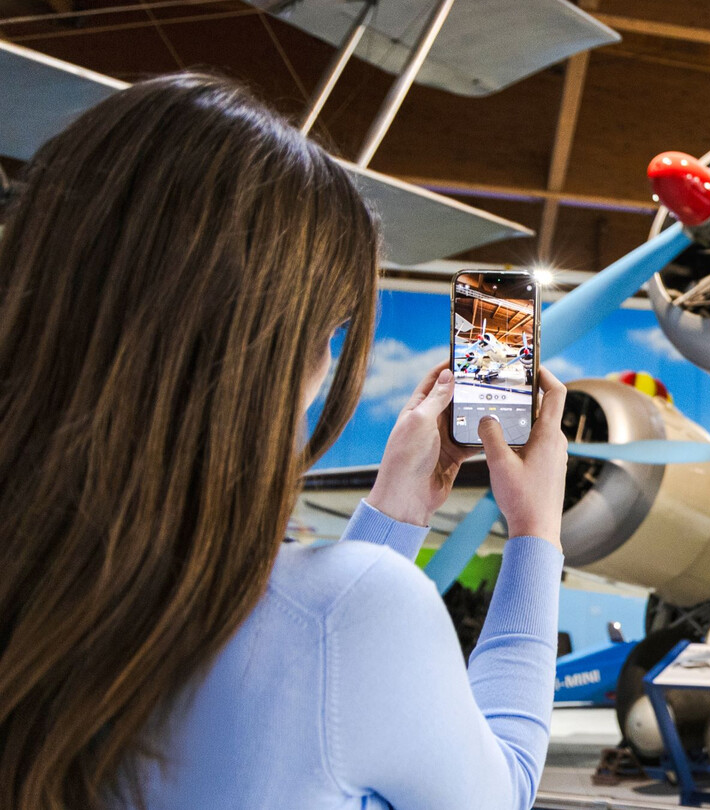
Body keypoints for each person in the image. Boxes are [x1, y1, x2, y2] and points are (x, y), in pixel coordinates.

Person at [0, 74, 569, 809]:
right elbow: (504, 791)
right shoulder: (352, 613)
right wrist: (535, 534)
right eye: (330, 332)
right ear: (280, 358)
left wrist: (393, 513)